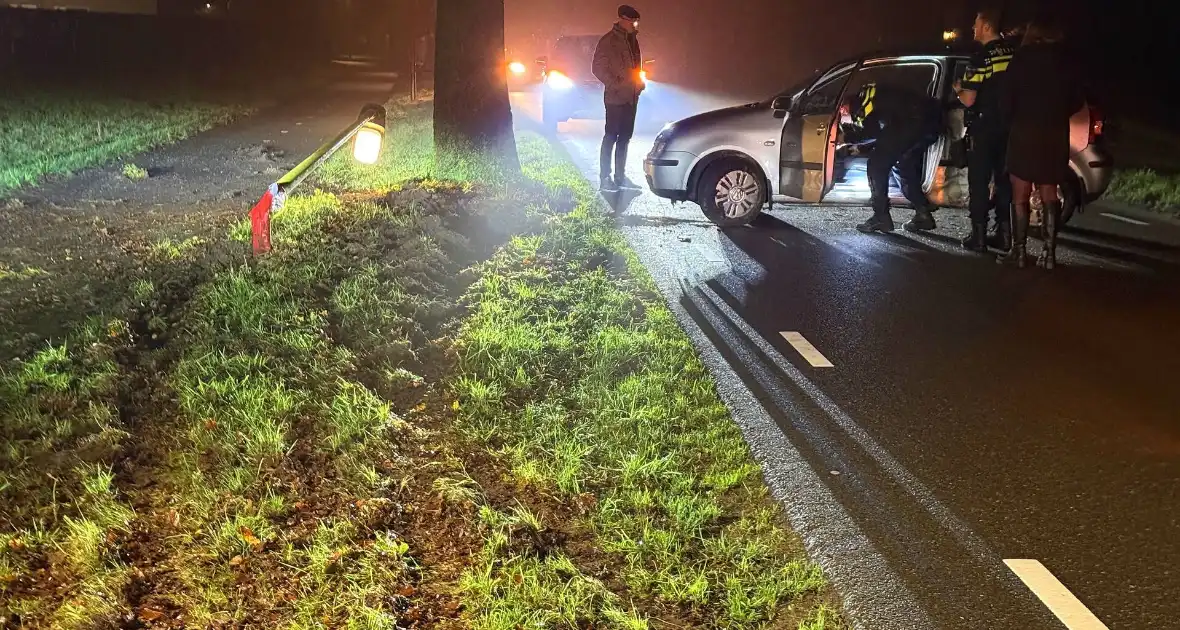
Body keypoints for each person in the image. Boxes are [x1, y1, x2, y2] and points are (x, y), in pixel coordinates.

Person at [999, 14, 1083, 270]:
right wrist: (1056, 113)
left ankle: (1020, 252)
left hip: (1025, 129)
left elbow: (1007, 96)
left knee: (1020, 192)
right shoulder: (1066, 62)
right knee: (1049, 191)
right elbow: (1077, 100)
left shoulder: (1022, 59)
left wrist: (1015, 115)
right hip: (1054, 133)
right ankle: (1049, 253)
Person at [841, 82, 943, 234]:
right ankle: (923, 213)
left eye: (842, 116)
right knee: (903, 166)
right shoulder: (870, 95)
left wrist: (845, 138)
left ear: (843, 109)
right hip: (929, 124)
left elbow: (872, 132)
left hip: (908, 123)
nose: (843, 120)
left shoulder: (860, 105)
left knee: (876, 165)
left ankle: (881, 217)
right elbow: (878, 130)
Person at [954, 8, 1016, 252]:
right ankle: (1004, 234)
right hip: (1010, 127)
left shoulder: (981, 57)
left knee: (978, 182)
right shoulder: (1013, 53)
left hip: (984, 126)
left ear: (987, 27)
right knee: (1004, 182)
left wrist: (957, 89)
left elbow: (969, 99)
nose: (973, 28)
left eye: (976, 24)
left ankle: (978, 237)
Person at [592, 5, 645, 191]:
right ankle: (605, 178)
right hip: (615, 99)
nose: (635, 25)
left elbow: (636, 68)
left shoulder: (632, 40)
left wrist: (639, 85)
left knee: (624, 138)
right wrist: (615, 84)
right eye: (633, 22)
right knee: (610, 137)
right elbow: (597, 68)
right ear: (623, 19)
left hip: (631, 98)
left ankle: (620, 177)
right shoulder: (609, 41)